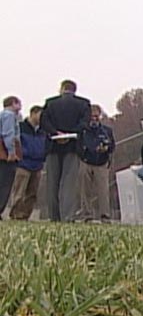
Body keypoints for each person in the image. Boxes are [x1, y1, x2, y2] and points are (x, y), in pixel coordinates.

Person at [40, 80, 91, 222]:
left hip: (53, 146)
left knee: (52, 182)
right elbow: (84, 124)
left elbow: (44, 122)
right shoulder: (84, 104)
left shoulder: (50, 103)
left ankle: (53, 216)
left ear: (61, 89)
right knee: (69, 183)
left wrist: (56, 133)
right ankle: (67, 216)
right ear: (75, 90)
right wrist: (71, 133)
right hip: (73, 146)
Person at [77, 105, 115, 222]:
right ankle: (87, 215)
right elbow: (77, 146)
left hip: (102, 163)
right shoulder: (82, 130)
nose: (94, 118)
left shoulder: (107, 131)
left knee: (103, 191)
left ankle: (105, 216)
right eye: (92, 116)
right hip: (86, 162)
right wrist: (84, 154)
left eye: (96, 116)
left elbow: (112, 146)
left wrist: (106, 149)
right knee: (85, 191)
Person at [9, 106, 46, 220]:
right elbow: (16, 143)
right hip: (23, 164)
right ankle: (15, 214)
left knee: (32, 193)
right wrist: (23, 153)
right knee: (19, 192)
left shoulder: (42, 131)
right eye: (40, 115)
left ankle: (25, 215)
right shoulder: (21, 127)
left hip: (37, 165)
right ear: (33, 113)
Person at [0, 96, 22, 219]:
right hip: (5, 154)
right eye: (19, 104)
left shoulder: (2, 114)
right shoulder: (9, 116)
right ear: (13, 103)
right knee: (4, 184)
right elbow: (9, 134)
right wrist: (11, 152)